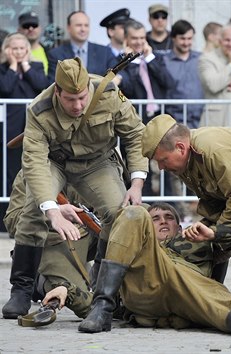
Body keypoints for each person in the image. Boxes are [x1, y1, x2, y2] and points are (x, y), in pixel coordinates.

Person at [1, 58, 148, 319]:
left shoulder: (110, 95)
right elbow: (34, 162)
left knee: (118, 212)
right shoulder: (39, 109)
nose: (78, 105)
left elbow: (136, 135)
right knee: (34, 210)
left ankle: (105, 288)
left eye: (82, 97)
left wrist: (136, 183)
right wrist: (52, 209)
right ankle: (21, 290)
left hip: (97, 163)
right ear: (57, 91)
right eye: (70, 99)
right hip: (54, 162)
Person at [77, 203, 231, 336]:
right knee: (133, 212)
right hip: (147, 284)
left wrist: (213, 235)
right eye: (155, 219)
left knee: (210, 287)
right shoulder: (137, 244)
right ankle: (102, 308)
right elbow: (98, 272)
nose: (163, 221)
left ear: (179, 227)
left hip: (191, 293)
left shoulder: (196, 239)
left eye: (169, 218)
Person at [140, 114, 231, 282]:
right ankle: (213, 290)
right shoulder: (185, 161)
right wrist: (208, 228)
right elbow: (214, 199)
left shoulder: (210, 149)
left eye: (163, 160)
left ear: (180, 147)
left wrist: (218, 231)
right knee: (197, 238)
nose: (161, 167)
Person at [4, 170, 96, 319]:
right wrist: (54, 212)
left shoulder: (98, 166)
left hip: (87, 238)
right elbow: (12, 221)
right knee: (84, 303)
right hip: (53, 242)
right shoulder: (32, 172)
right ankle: (31, 282)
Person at [0, 32, 48, 210]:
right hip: (9, 127)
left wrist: (25, 66)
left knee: (32, 167)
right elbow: (5, 87)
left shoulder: (35, 65)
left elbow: (40, 85)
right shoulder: (3, 68)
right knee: (10, 169)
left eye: (22, 48)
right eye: (14, 48)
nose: (19, 52)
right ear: (7, 50)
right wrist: (13, 66)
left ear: (27, 50)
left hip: (32, 125)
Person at [116, 19, 173, 124]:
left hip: (159, 115)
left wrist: (150, 59)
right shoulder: (119, 61)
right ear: (125, 39)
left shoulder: (155, 57)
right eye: (134, 38)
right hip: (136, 117)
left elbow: (168, 82)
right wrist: (131, 61)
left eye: (142, 38)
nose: (139, 42)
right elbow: (131, 89)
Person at [46, 11, 117, 84]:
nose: (83, 29)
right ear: (69, 28)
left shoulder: (104, 52)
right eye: (79, 25)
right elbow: (53, 84)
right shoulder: (56, 54)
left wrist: (118, 78)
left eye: (86, 25)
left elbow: (118, 72)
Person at [163, 20, 204, 128]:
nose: (186, 43)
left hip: (201, 117)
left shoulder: (201, 58)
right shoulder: (164, 61)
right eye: (182, 38)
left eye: (189, 38)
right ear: (173, 38)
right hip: (174, 119)